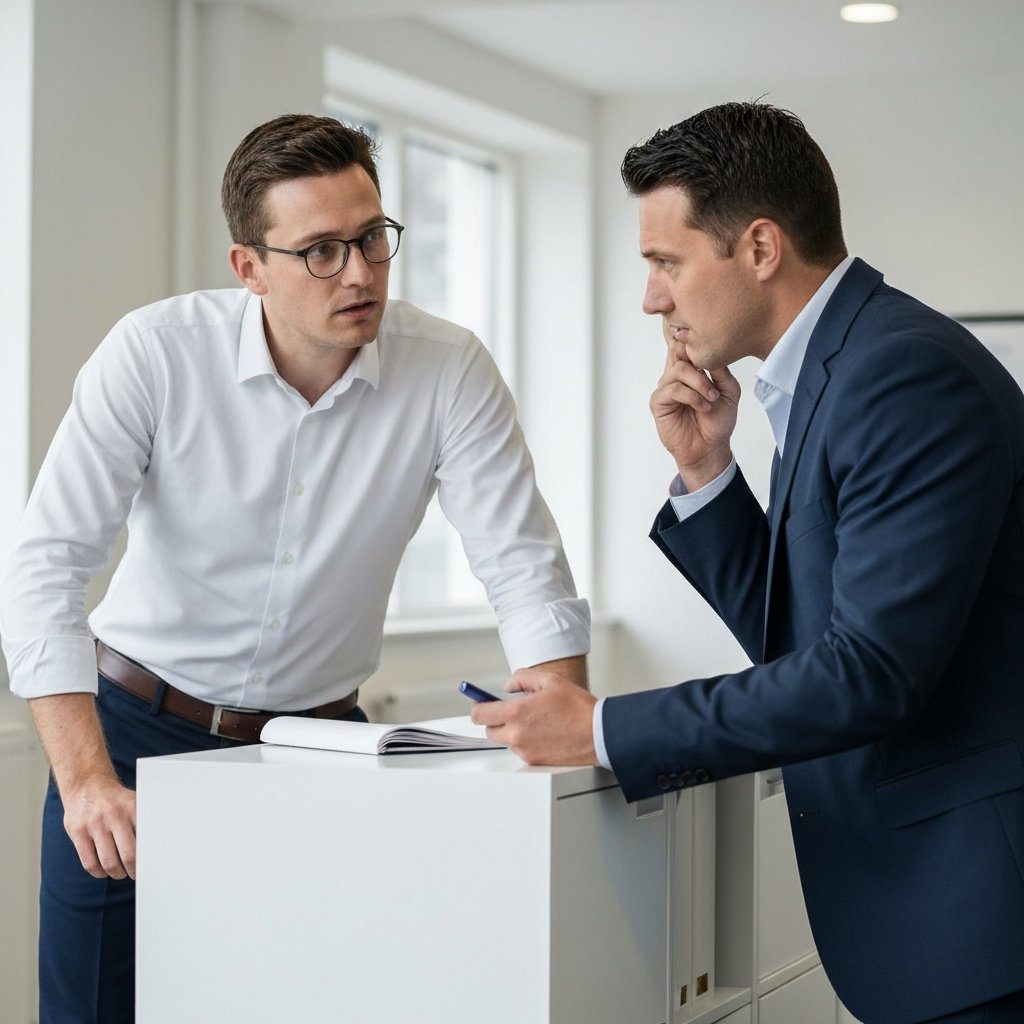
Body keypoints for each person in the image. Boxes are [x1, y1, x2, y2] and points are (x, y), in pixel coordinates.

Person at [0, 113, 589, 1024]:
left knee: (302, 1000)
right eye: (320, 250)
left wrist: (564, 726)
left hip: (320, 751)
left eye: (371, 238)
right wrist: (84, 782)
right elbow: (45, 570)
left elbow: (523, 567)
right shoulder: (154, 354)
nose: (358, 273)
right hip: (132, 739)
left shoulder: (448, 370)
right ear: (250, 268)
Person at [473, 102, 1024, 1024]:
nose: (652, 298)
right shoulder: (840, 369)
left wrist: (605, 727)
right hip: (935, 921)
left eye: (665, 262)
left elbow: (871, 675)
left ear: (760, 247)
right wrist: (705, 469)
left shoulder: (900, 375)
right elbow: (810, 633)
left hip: (974, 922)